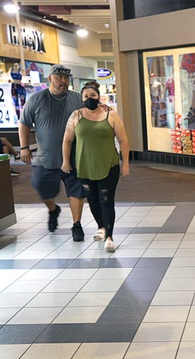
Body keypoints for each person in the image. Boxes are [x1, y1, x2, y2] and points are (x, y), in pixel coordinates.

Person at [18, 64, 86, 240]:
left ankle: (77, 225)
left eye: (66, 78)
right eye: (59, 78)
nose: (63, 81)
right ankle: (53, 209)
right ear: (49, 79)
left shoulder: (77, 99)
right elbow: (24, 123)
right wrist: (24, 147)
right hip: (47, 156)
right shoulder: (36, 99)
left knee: (76, 191)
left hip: (74, 157)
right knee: (41, 186)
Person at [61, 81, 129, 252]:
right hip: (84, 166)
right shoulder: (75, 116)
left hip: (108, 165)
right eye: (86, 96)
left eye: (92, 95)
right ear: (81, 98)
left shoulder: (110, 114)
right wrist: (66, 161)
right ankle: (101, 226)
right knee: (92, 200)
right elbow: (67, 140)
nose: (89, 99)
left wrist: (125, 163)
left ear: (98, 96)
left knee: (106, 201)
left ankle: (110, 236)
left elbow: (123, 140)